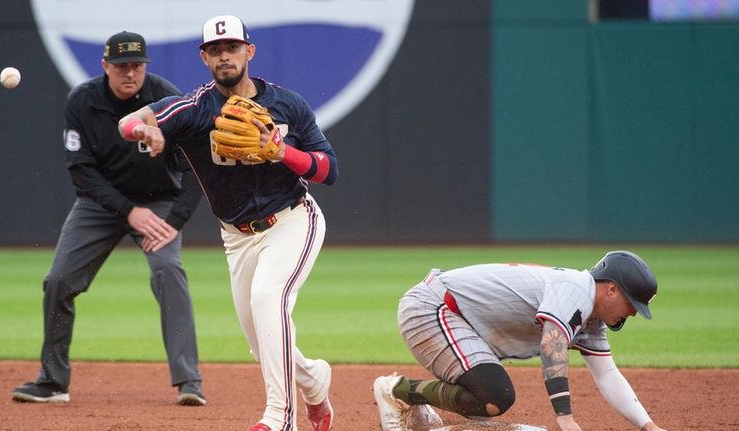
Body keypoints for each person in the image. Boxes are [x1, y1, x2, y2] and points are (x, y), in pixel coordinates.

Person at [117, 15, 337, 431]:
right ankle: (312, 379)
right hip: (236, 237)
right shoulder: (195, 109)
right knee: (261, 342)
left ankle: (279, 419)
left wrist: (283, 154)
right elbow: (129, 122)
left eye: (232, 47)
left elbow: (329, 170)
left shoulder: (287, 105)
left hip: (292, 219)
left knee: (268, 298)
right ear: (204, 58)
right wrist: (148, 133)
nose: (224, 56)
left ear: (249, 52)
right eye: (215, 50)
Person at [11, 31, 206, 406]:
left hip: (159, 202)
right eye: (121, 66)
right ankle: (53, 381)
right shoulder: (83, 101)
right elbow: (82, 170)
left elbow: (196, 168)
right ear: (105, 67)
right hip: (100, 207)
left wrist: (175, 221)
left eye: (136, 66)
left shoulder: (166, 100)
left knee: (169, 271)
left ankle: (189, 381)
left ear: (145, 67)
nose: (130, 73)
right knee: (59, 280)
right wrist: (128, 211)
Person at [373, 250, 668, 431]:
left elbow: (607, 375)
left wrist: (648, 425)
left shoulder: (590, 320)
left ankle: (415, 398)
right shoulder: (576, 290)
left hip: (458, 319)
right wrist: (564, 416)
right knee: (494, 395)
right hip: (431, 307)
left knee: (489, 393)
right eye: (632, 304)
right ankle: (398, 391)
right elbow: (552, 347)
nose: (632, 313)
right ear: (612, 290)